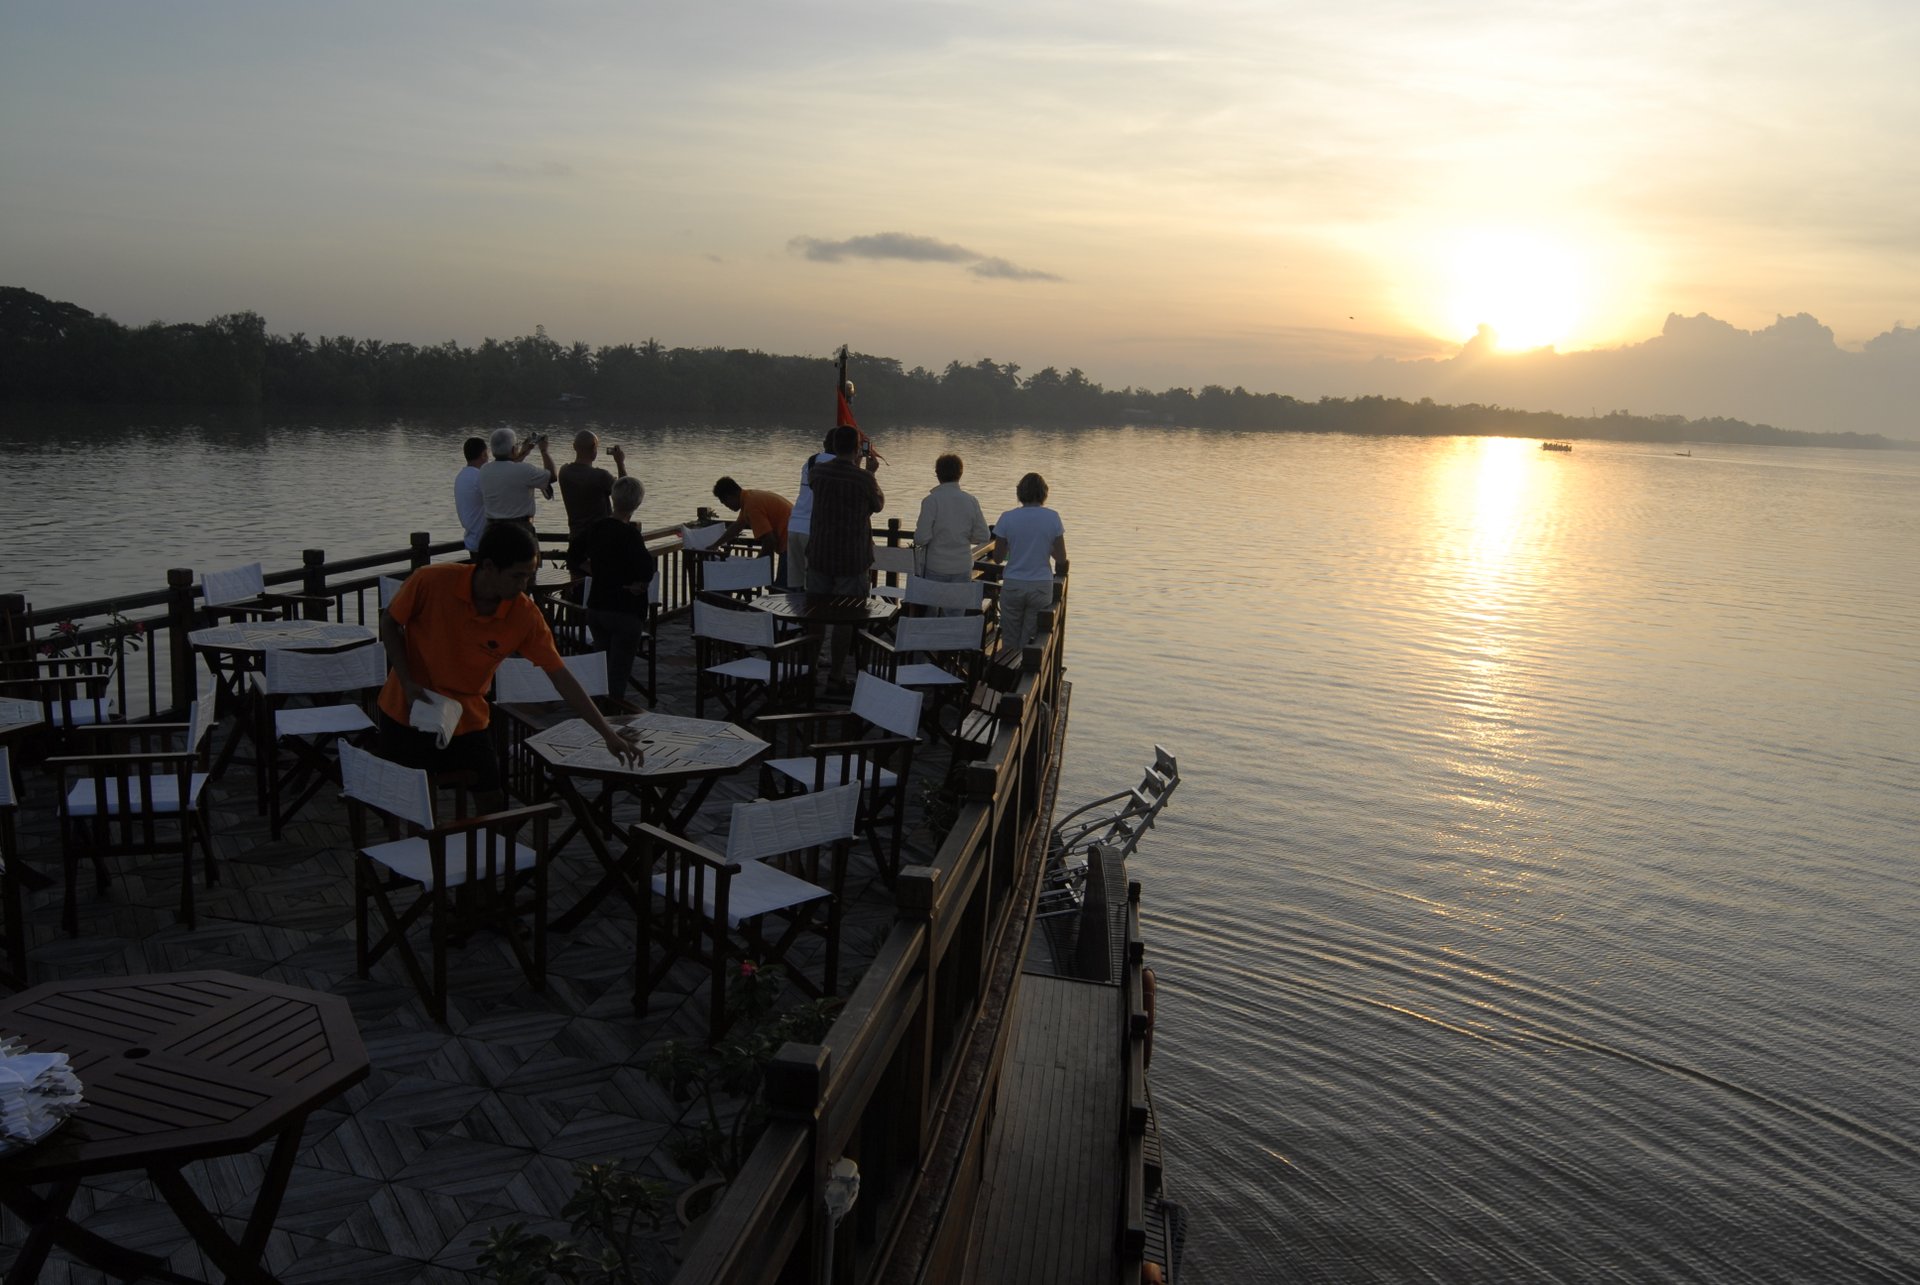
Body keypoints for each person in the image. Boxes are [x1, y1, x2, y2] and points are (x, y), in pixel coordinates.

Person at [377, 521, 638, 809]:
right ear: (489, 566)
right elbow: (390, 621)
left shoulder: (524, 615)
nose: (523, 585)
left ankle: (486, 839)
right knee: (403, 804)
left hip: (467, 718)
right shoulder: (431, 580)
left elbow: (560, 675)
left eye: (529, 576)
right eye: (517, 576)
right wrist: (407, 681)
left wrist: (607, 733)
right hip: (407, 709)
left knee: (493, 802)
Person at [804, 424, 885, 687]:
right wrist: (869, 473)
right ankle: (836, 673)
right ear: (857, 448)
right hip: (852, 558)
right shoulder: (863, 479)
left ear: (833, 446)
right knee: (846, 617)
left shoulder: (817, 473)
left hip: (820, 553)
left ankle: (811, 668)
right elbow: (878, 505)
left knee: (815, 614)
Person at [565, 475, 656, 704]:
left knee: (601, 666)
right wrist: (637, 584)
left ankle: (596, 709)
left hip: (597, 607)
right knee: (618, 672)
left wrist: (594, 570)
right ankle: (611, 714)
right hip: (625, 610)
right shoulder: (630, 534)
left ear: (613, 499)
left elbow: (573, 555)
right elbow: (647, 569)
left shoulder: (596, 527)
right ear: (637, 503)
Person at [992, 472, 1067, 656]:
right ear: (1044, 493)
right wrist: (1045, 546)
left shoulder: (1007, 517)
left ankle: (1008, 670)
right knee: (1031, 640)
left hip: (1013, 584)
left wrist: (1012, 546)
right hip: (1041, 585)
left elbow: (998, 558)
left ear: (1020, 492)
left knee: (1010, 638)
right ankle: (1024, 671)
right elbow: (1061, 557)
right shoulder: (1052, 517)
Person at [913, 453, 989, 584]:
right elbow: (984, 535)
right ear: (960, 473)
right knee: (958, 598)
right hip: (962, 566)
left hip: (936, 565)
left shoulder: (931, 501)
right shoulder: (971, 501)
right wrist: (965, 537)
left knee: (934, 597)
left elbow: (921, 538)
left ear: (937, 473)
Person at [710, 477, 793, 585]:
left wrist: (754, 564)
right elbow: (737, 527)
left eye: (724, 503)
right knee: (788, 586)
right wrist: (716, 545)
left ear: (729, 496)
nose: (727, 507)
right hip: (796, 538)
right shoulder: (749, 498)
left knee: (783, 589)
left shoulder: (752, 506)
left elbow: (770, 541)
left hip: (791, 545)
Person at [479, 427, 557, 538]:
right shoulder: (525, 470)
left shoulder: (484, 470)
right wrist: (544, 451)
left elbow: (507, 468)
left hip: (491, 533)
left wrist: (523, 453)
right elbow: (552, 476)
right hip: (520, 533)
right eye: (517, 445)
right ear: (513, 449)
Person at [784, 432, 836, 591]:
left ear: (824, 444)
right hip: (814, 531)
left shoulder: (810, 461)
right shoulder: (838, 466)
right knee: (814, 586)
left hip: (794, 526)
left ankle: (793, 607)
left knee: (795, 584)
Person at [557, 430, 627, 535]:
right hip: (600, 537)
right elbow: (625, 492)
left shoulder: (564, 472)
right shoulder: (601, 476)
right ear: (594, 447)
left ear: (574, 447)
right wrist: (620, 463)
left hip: (576, 536)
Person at [454, 436, 488, 557]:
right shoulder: (479, 477)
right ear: (483, 454)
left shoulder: (461, 476)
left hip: (472, 541)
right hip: (485, 542)